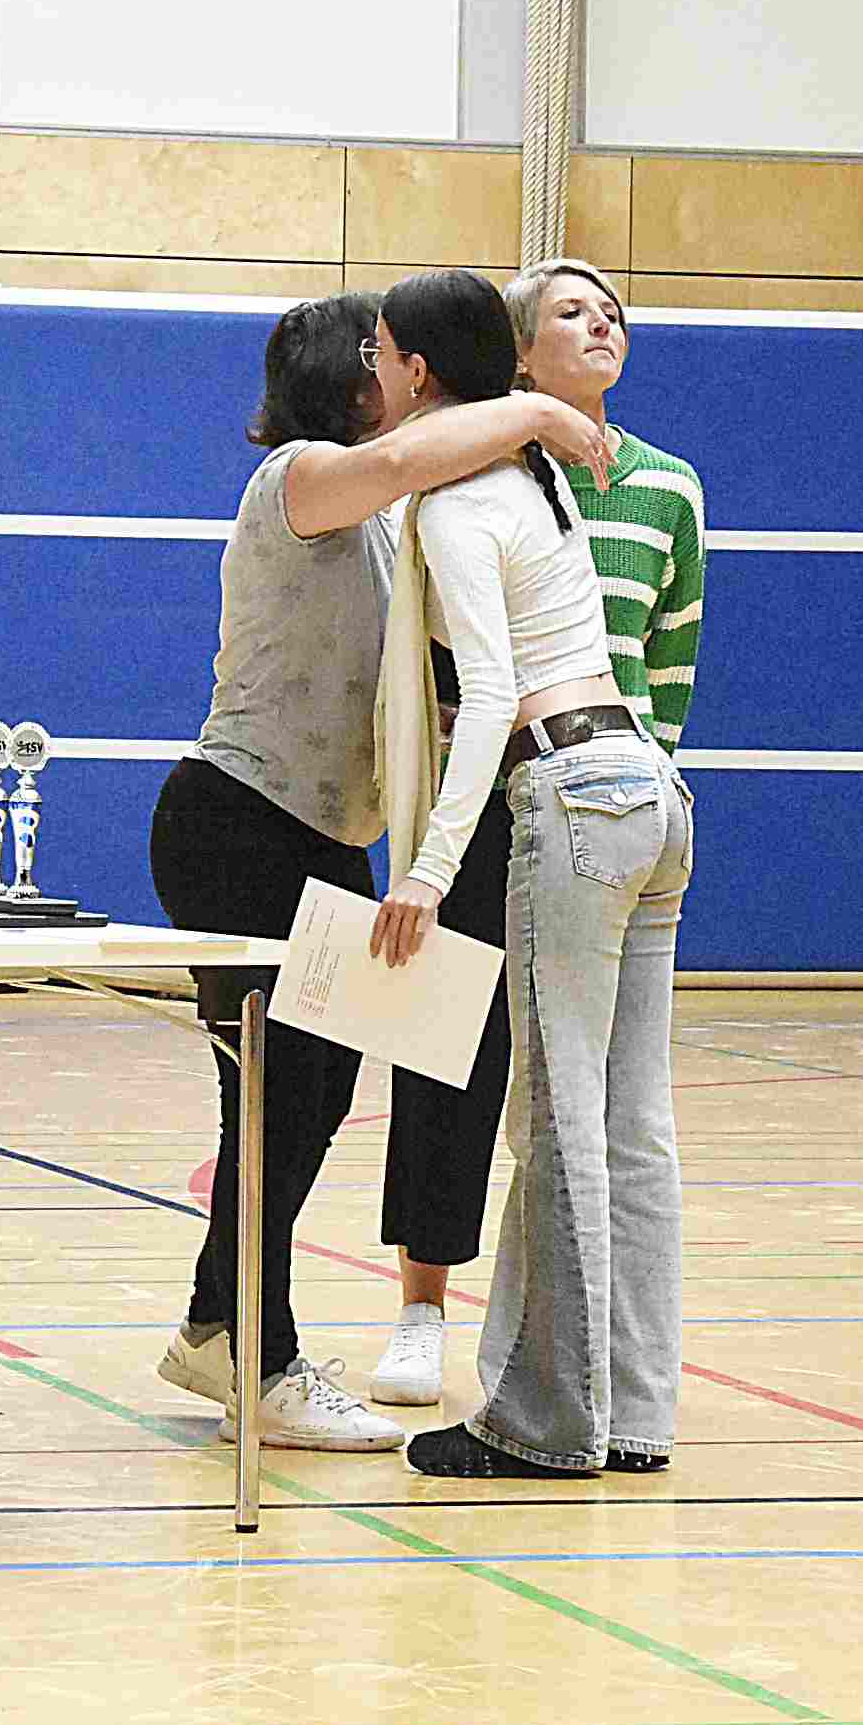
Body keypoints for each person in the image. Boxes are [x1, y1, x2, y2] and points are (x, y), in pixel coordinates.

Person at [152, 290, 613, 1449]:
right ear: (346, 376)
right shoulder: (301, 478)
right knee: (274, 1096)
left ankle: (218, 1324)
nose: (399, 373)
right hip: (236, 822)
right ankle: (256, 1353)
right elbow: (409, 454)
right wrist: (536, 412)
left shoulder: (389, 517)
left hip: (321, 838)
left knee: (311, 1097)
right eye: (380, 355)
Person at [370, 268, 697, 1478]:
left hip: (564, 788)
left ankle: (545, 1421)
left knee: (558, 1125)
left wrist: (426, 866)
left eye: (383, 352)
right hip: (648, 789)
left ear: (419, 372)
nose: (373, 371)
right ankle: (634, 1414)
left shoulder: (457, 505)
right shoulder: (536, 475)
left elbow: (493, 691)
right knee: (632, 1124)